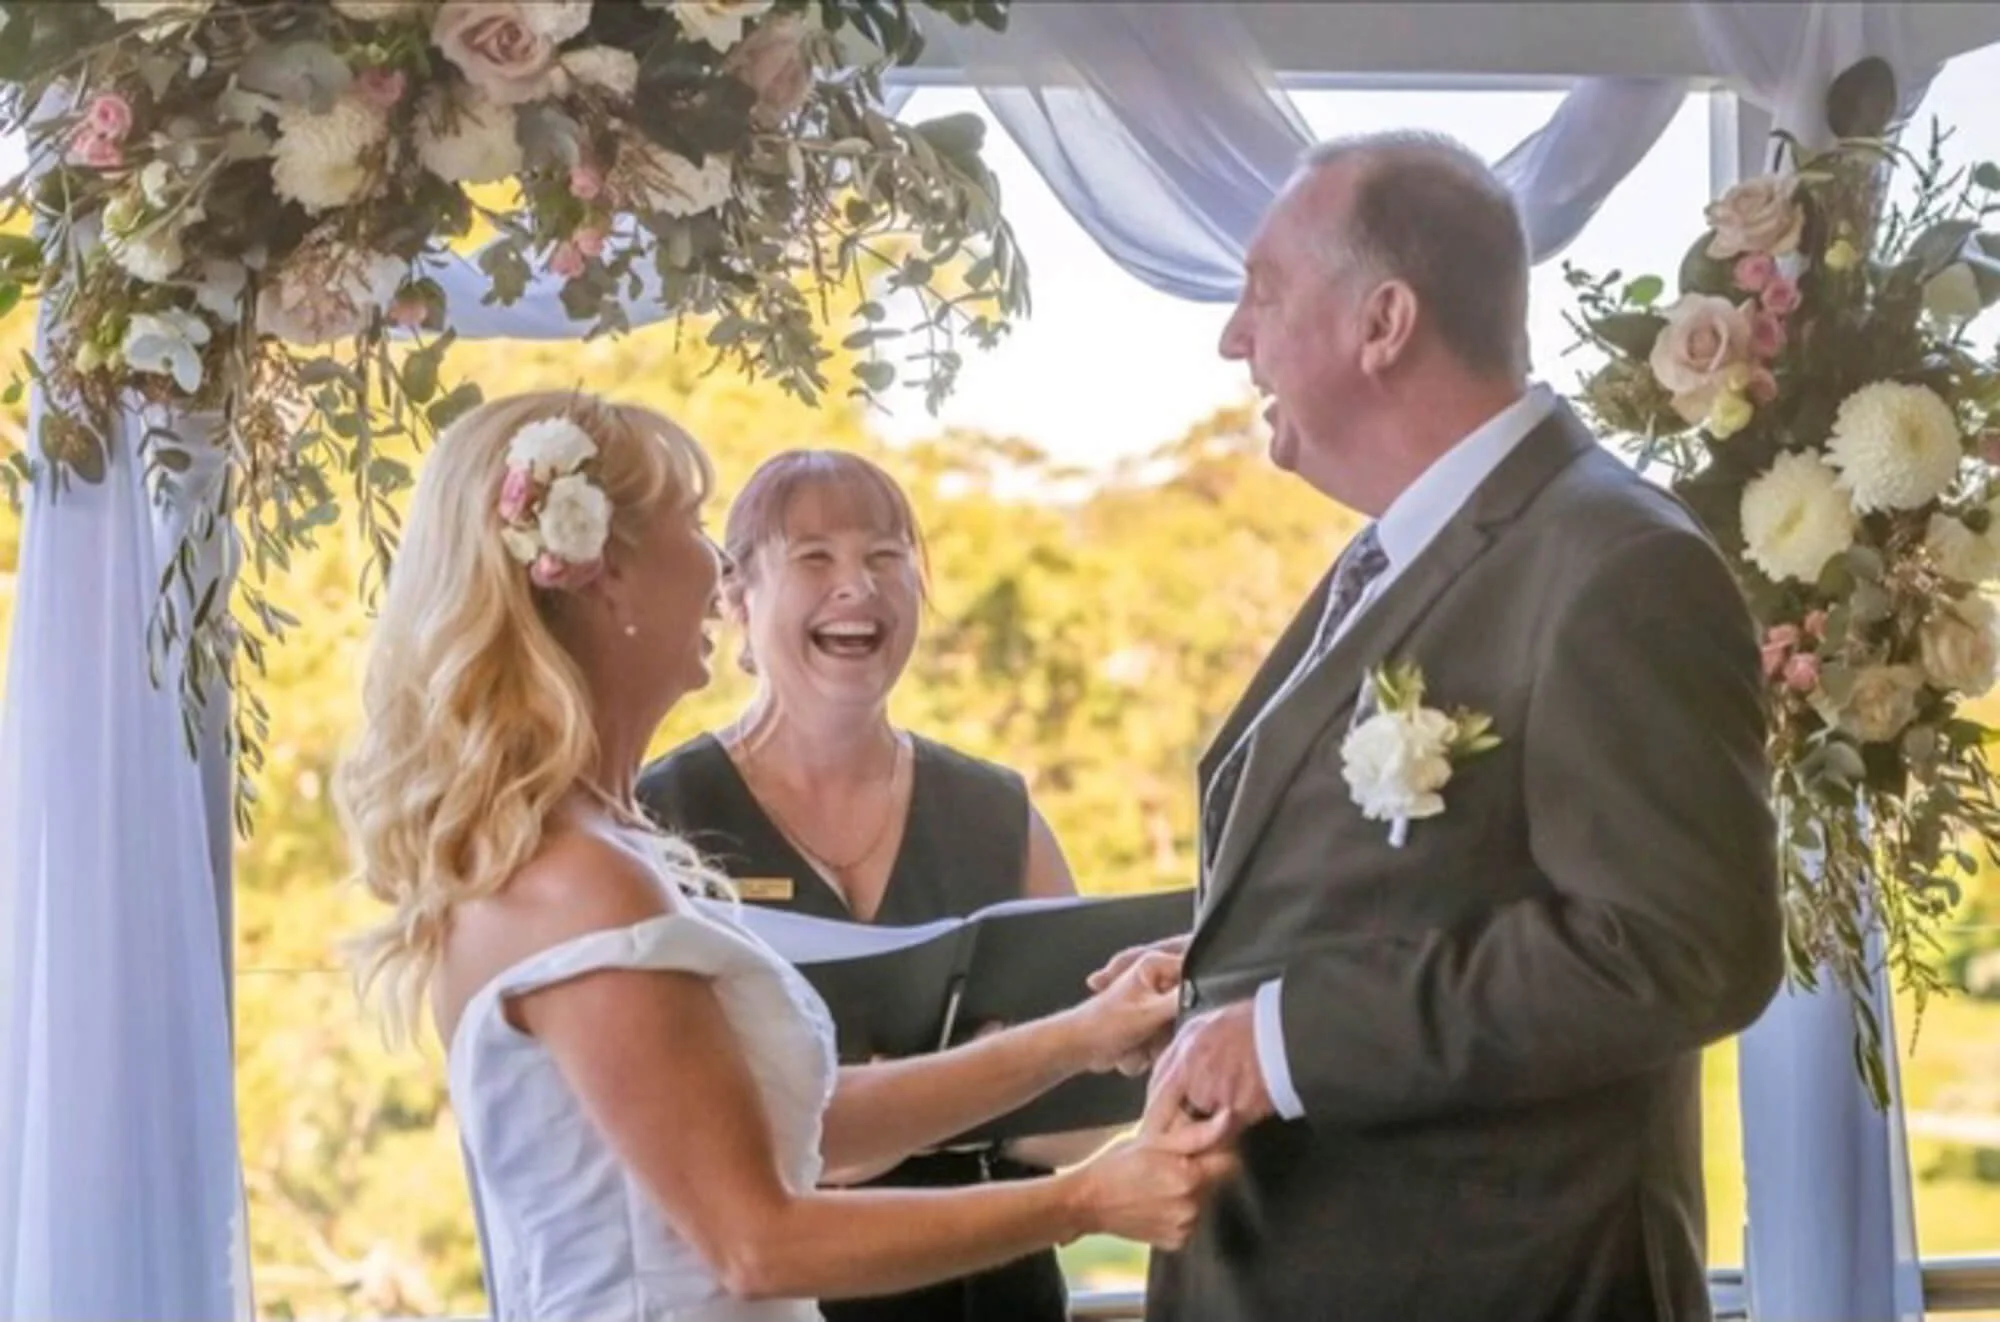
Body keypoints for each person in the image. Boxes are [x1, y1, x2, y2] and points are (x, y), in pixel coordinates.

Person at [334, 392, 1236, 1322]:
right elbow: (755, 1242)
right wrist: (1089, 1198)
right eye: (691, 524)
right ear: (605, 578)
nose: (715, 561)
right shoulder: (579, 882)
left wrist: (1080, 1035)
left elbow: (807, 1127)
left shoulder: (595, 852)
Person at [1104, 132, 1785, 1322]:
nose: (1232, 335)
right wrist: (1213, 983)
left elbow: (1676, 943)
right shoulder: (1413, 548)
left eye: (1261, 290)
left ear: (1383, 323)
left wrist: (1282, 1034)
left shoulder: (1613, 564)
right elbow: (1426, 889)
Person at [638, 449, 1117, 1322]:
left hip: (995, 1290)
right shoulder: (657, 820)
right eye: (815, 557)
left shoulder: (998, 812)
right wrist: (977, 1079)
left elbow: (1088, 1109)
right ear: (736, 598)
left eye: (887, 557)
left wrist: (887, 1115)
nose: (858, 587)